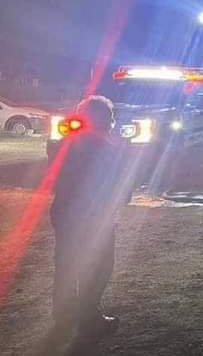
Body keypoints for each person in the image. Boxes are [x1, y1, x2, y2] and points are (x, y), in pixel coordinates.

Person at [50, 95, 132, 339]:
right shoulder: (110, 149)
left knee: (66, 264)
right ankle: (90, 319)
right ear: (106, 120)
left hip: (64, 213)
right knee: (98, 267)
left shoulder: (63, 145)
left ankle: (63, 316)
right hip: (96, 218)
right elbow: (121, 188)